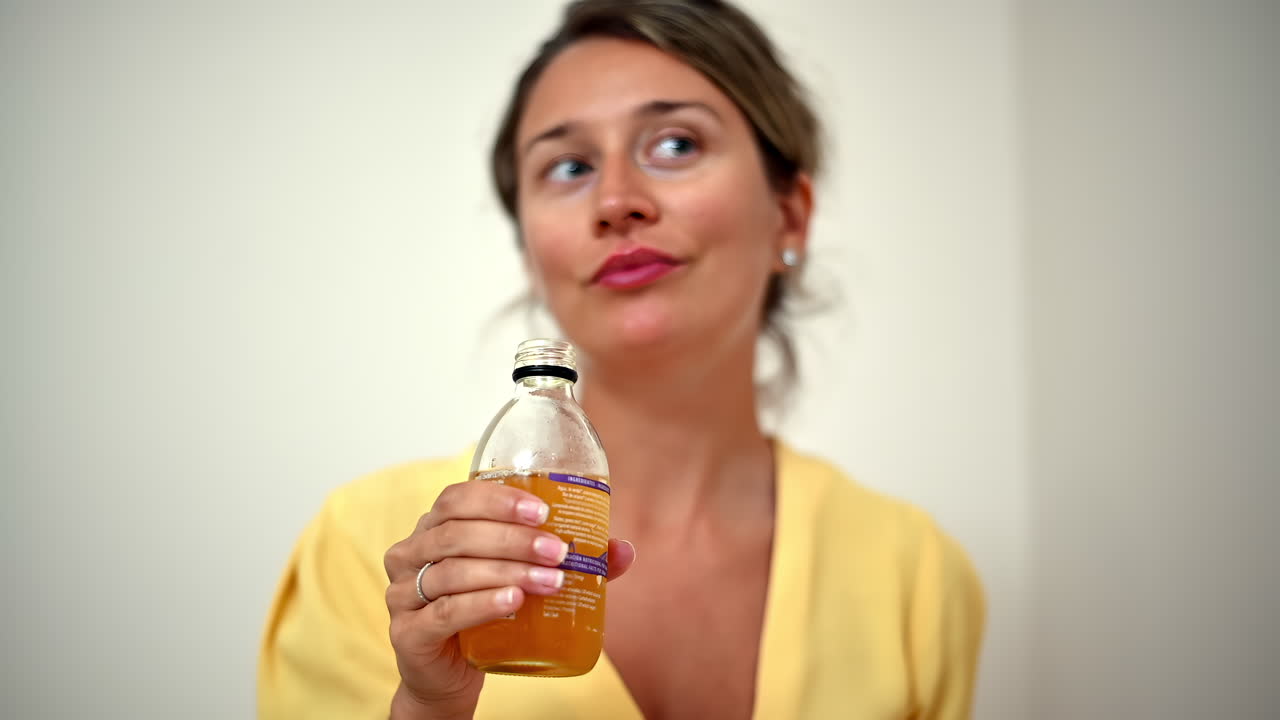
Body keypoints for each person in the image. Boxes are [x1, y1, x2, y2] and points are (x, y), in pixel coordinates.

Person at [258, 0, 986, 718]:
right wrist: (427, 706)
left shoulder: (916, 578)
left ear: (789, 215)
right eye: (570, 166)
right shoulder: (370, 547)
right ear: (529, 254)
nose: (615, 201)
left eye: (675, 145)